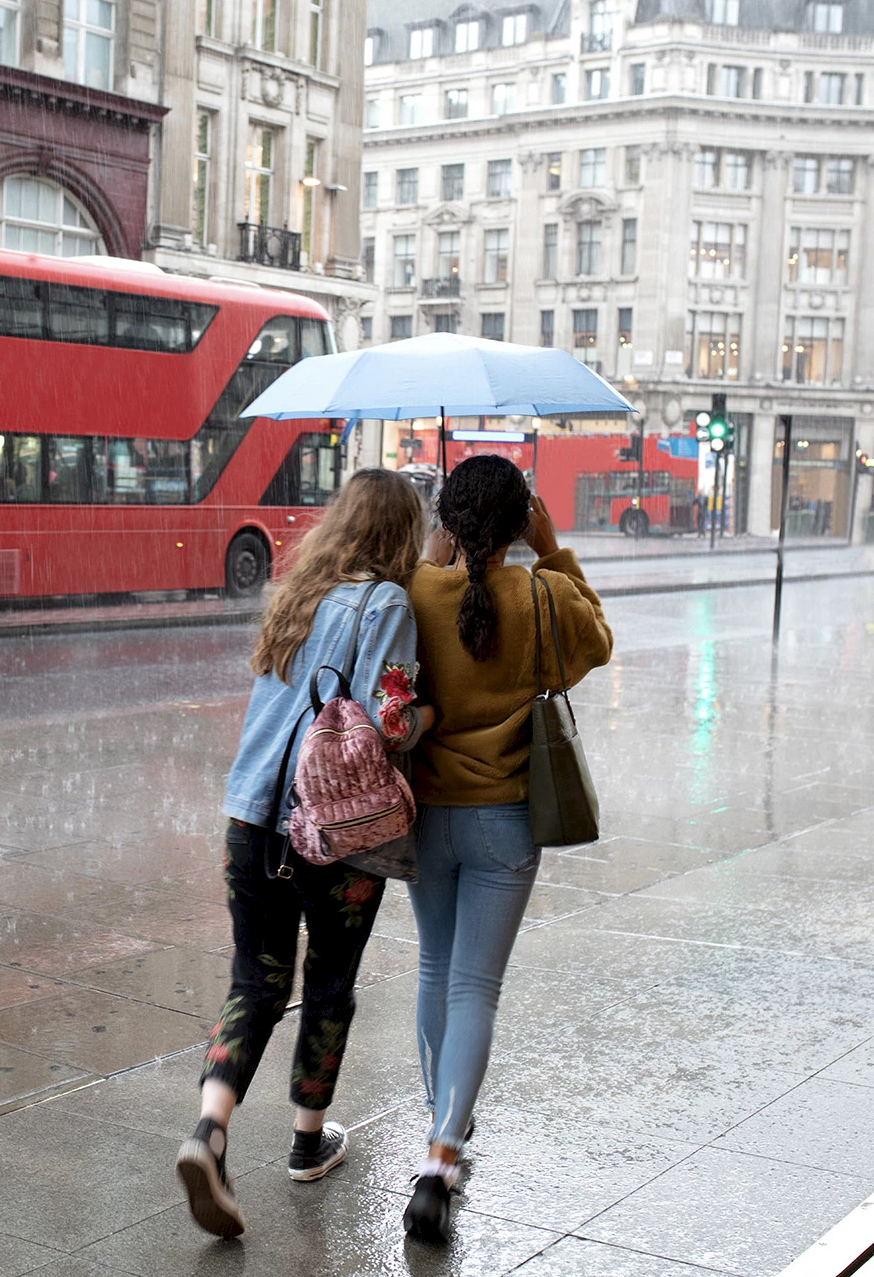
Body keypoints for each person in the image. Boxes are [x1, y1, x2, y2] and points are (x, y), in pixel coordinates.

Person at [177, 468, 436, 1238]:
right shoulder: (386, 601)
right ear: (403, 534)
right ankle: (306, 1140)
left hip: (249, 816)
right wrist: (425, 714)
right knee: (328, 983)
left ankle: (209, 1130)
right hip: (332, 828)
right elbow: (387, 721)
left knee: (254, 981)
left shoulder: (299, 594)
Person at [400, 455, 613, 1242]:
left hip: (425, 817)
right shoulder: (544, 596)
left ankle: (439, 1124)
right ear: (520, 520)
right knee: (474, 990)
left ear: (448, 522)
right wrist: (553, 547)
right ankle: (443, 1152)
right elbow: (598, 643)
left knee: (433, 968)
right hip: (505, 823)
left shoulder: (415, 595)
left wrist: (435, 554)